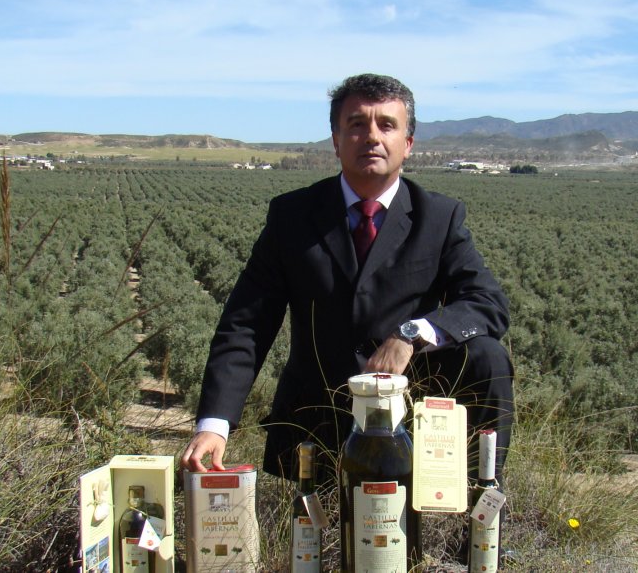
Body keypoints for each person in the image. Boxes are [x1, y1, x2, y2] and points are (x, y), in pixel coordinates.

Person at [180, 73, 514, 482]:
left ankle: (479, 504)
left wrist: (411, 333)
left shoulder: (439, 218)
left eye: (387, 125)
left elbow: (487, 303)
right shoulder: (293, 216)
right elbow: (247, 324)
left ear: (407, 145)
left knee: (487, 355)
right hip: (315, 421)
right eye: (357, 124)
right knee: (309, 543)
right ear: (336, 140)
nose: (372, 136)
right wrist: (214, 425)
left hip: (407, 420)